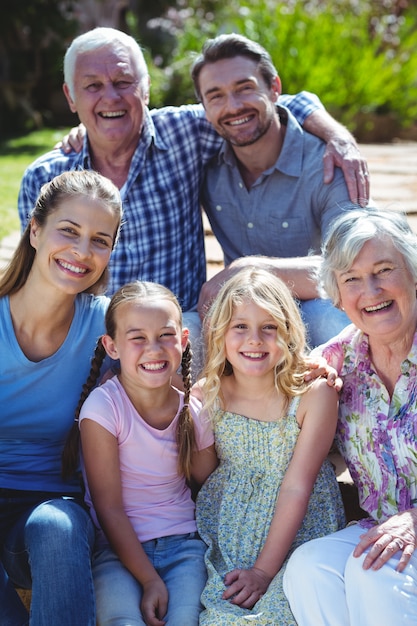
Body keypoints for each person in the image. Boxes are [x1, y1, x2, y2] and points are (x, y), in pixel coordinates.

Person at [18, 27, 369, 370]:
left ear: (146, 87)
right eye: (92, 86)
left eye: (123, 82)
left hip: (179, 330)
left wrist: (338, 135)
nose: (110, 97)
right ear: (70, 96)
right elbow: (33, 283)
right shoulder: (45, 178)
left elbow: (264, 107)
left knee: (202, 338)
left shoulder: (184, 134)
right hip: (91, 333)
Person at [283, 207, 417, 625]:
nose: (371, 290)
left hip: (403, 534)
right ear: (337, 297)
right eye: (352, 280)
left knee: (374, 571)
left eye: (384, 270)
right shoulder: (340, 359)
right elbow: (265, 391)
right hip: (381, 529)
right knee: (308, 567)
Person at [0, 170, 123, 625]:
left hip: (48, 507)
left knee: (58, 530)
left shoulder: (107, 325)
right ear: (35, 230)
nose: (81, 252)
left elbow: (174, 371)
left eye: (99, 240)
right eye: (68, 231)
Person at [191, 33, 366, 347]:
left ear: (274, 89)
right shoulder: (202, 160)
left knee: (331, 322)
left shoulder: (329, 163)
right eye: (215, 96)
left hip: (319, 307)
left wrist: (251, 269)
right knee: (187, 333)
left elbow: (354, 265)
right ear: (203, 108)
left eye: (245, 88)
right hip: (247, 315)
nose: (232, 106)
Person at [193, 267, 346, 625]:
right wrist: (193, 417)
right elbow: (202, 474)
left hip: (299, 530)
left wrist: (262, 572)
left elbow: (297, 486)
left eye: (269, 327)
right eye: (240, 327)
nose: (255, 340)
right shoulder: (210, 394)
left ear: (289, 332)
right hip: (229, 528)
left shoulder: (313, 395)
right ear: (219, 334)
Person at [73, 281, 218, 626]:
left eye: (165, 336)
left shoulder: (192, 410)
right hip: (115, 550)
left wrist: (203, 413)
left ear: (183, 341)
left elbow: (209, 482)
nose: (154, 349)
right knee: (122, 620)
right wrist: (150, 579)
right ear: (112, 346)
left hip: (185, 547)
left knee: (185, 620)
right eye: (137, 338)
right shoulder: (104, 409)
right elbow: (108, 507)